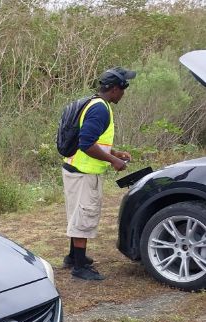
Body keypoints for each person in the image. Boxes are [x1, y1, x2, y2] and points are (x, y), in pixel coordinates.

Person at [62, 67, 135, 281]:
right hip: (84, 172)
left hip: (76, 169)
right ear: (113, 89)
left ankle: (74, 258)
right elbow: (86, 144)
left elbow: (94, 141)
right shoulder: (100, 109)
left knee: (78, 214)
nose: (124, 93)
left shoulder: (94, 103)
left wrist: (114, 152)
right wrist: (114, 161)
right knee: (84, 216)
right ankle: (79, 268)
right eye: (123, 88)